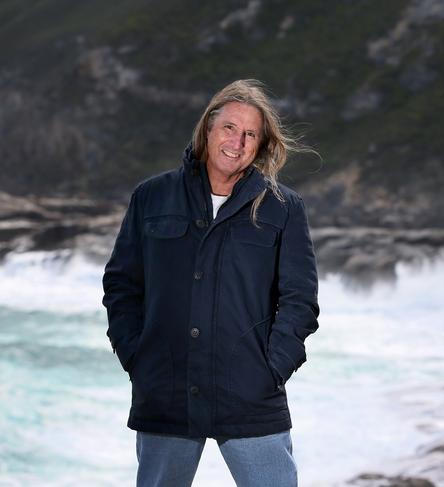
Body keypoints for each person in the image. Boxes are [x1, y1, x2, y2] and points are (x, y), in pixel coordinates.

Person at [102, 79, 320, 487]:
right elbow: (122, 285)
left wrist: (272, 369)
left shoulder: (283, 207)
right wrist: (137, 357)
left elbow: (299, 299)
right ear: (207, 130)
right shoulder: (152, 196)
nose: (237, 142)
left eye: (250, 134)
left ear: (261, 144)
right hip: (165, 390)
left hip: (250, 393)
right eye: (229, 128)